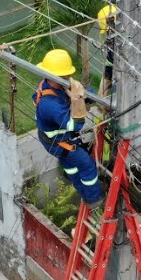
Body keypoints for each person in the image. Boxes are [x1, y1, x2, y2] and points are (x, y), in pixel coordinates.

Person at [32, 49, 105, 211]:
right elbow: (75, 125)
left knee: (71, 167)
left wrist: (86, 96)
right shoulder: (50, 105)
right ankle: (94, 199)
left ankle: (81, 189)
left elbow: (63, 98)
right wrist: (77, 100)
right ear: (59, 76)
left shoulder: (47, 85)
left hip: (53, 141)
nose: (68, 78)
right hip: (61, 144)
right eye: (65, 76)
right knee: (87, 166)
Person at [97, 4, 141, 162]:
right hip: (124, 90)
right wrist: (102, 94)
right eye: (108, 32)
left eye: (111, 30)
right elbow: (109, 71)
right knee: (120, 127)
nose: (109, 35)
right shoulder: (114, 44)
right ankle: (123, 159)